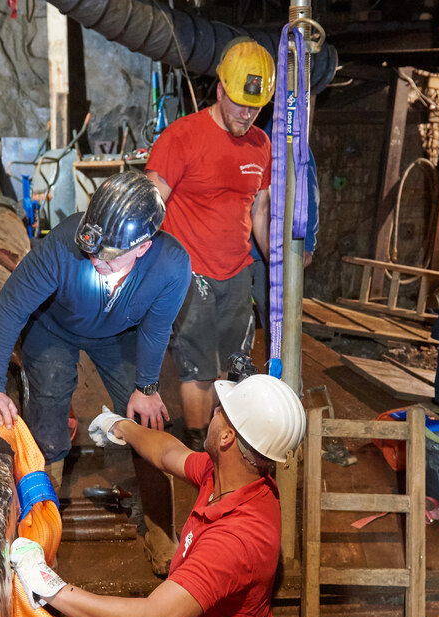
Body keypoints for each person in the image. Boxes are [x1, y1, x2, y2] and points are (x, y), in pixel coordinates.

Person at [10, 374, 307, 617]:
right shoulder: (238, 479)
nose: (214, 411)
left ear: (228, 437)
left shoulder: (234, 540)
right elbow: (169, 453)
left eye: (221, 412)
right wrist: (120, 427)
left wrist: (50, 587)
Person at [0, 170, 192, 546]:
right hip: (54, 326)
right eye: (91, 251)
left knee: (146, 416)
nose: (94, 261)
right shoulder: (62, 247)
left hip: (119, 332)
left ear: (142, 247)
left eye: (107, 257)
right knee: (49, 402)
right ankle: (43, 520)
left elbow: (156, 330)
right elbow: (10, 309)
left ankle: (159, 529)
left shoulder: (171, 267)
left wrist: (146, 386)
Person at [145, 38, 275, 451]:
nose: (247, 113)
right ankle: (198, 449)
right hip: (190, 273)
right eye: (239, 103)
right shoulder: (182, 137)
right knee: (198, 370)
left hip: (237, 272)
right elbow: (151, 202)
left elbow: (259, 212)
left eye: (255, 107)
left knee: (232, 369)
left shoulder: (262, 145)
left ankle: (221, 450)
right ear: (219, 89)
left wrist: (278, 262)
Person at [250, 114, 320, 353]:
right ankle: (238, 380)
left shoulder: (291, 145)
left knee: (276, 318)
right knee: (237, 321)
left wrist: (307, 242)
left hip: (271, 252)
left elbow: (308, 193)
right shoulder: (250, 143)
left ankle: (283, 381)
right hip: (240, 251)